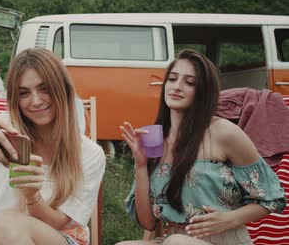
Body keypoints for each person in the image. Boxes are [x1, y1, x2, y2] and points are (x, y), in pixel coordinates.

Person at [0, 48, 106, 245]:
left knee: (6, 222)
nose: (36, 101)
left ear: (62, 88)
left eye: (44, 89)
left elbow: (58, 222)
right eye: (24, 93)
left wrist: (32, 196)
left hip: (56, 236)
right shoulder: (8, 132)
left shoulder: (89, 154)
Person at [117, 49, 286, 245]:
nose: (177, 87)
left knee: (177, 242)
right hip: (172, 238)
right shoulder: (156, 138)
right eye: (172, 79)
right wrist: (140, 166)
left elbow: (273, 199)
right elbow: (147, 223)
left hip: (224, 240)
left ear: (204, 91)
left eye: (189, 82)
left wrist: (228, 219)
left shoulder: (224, 133)